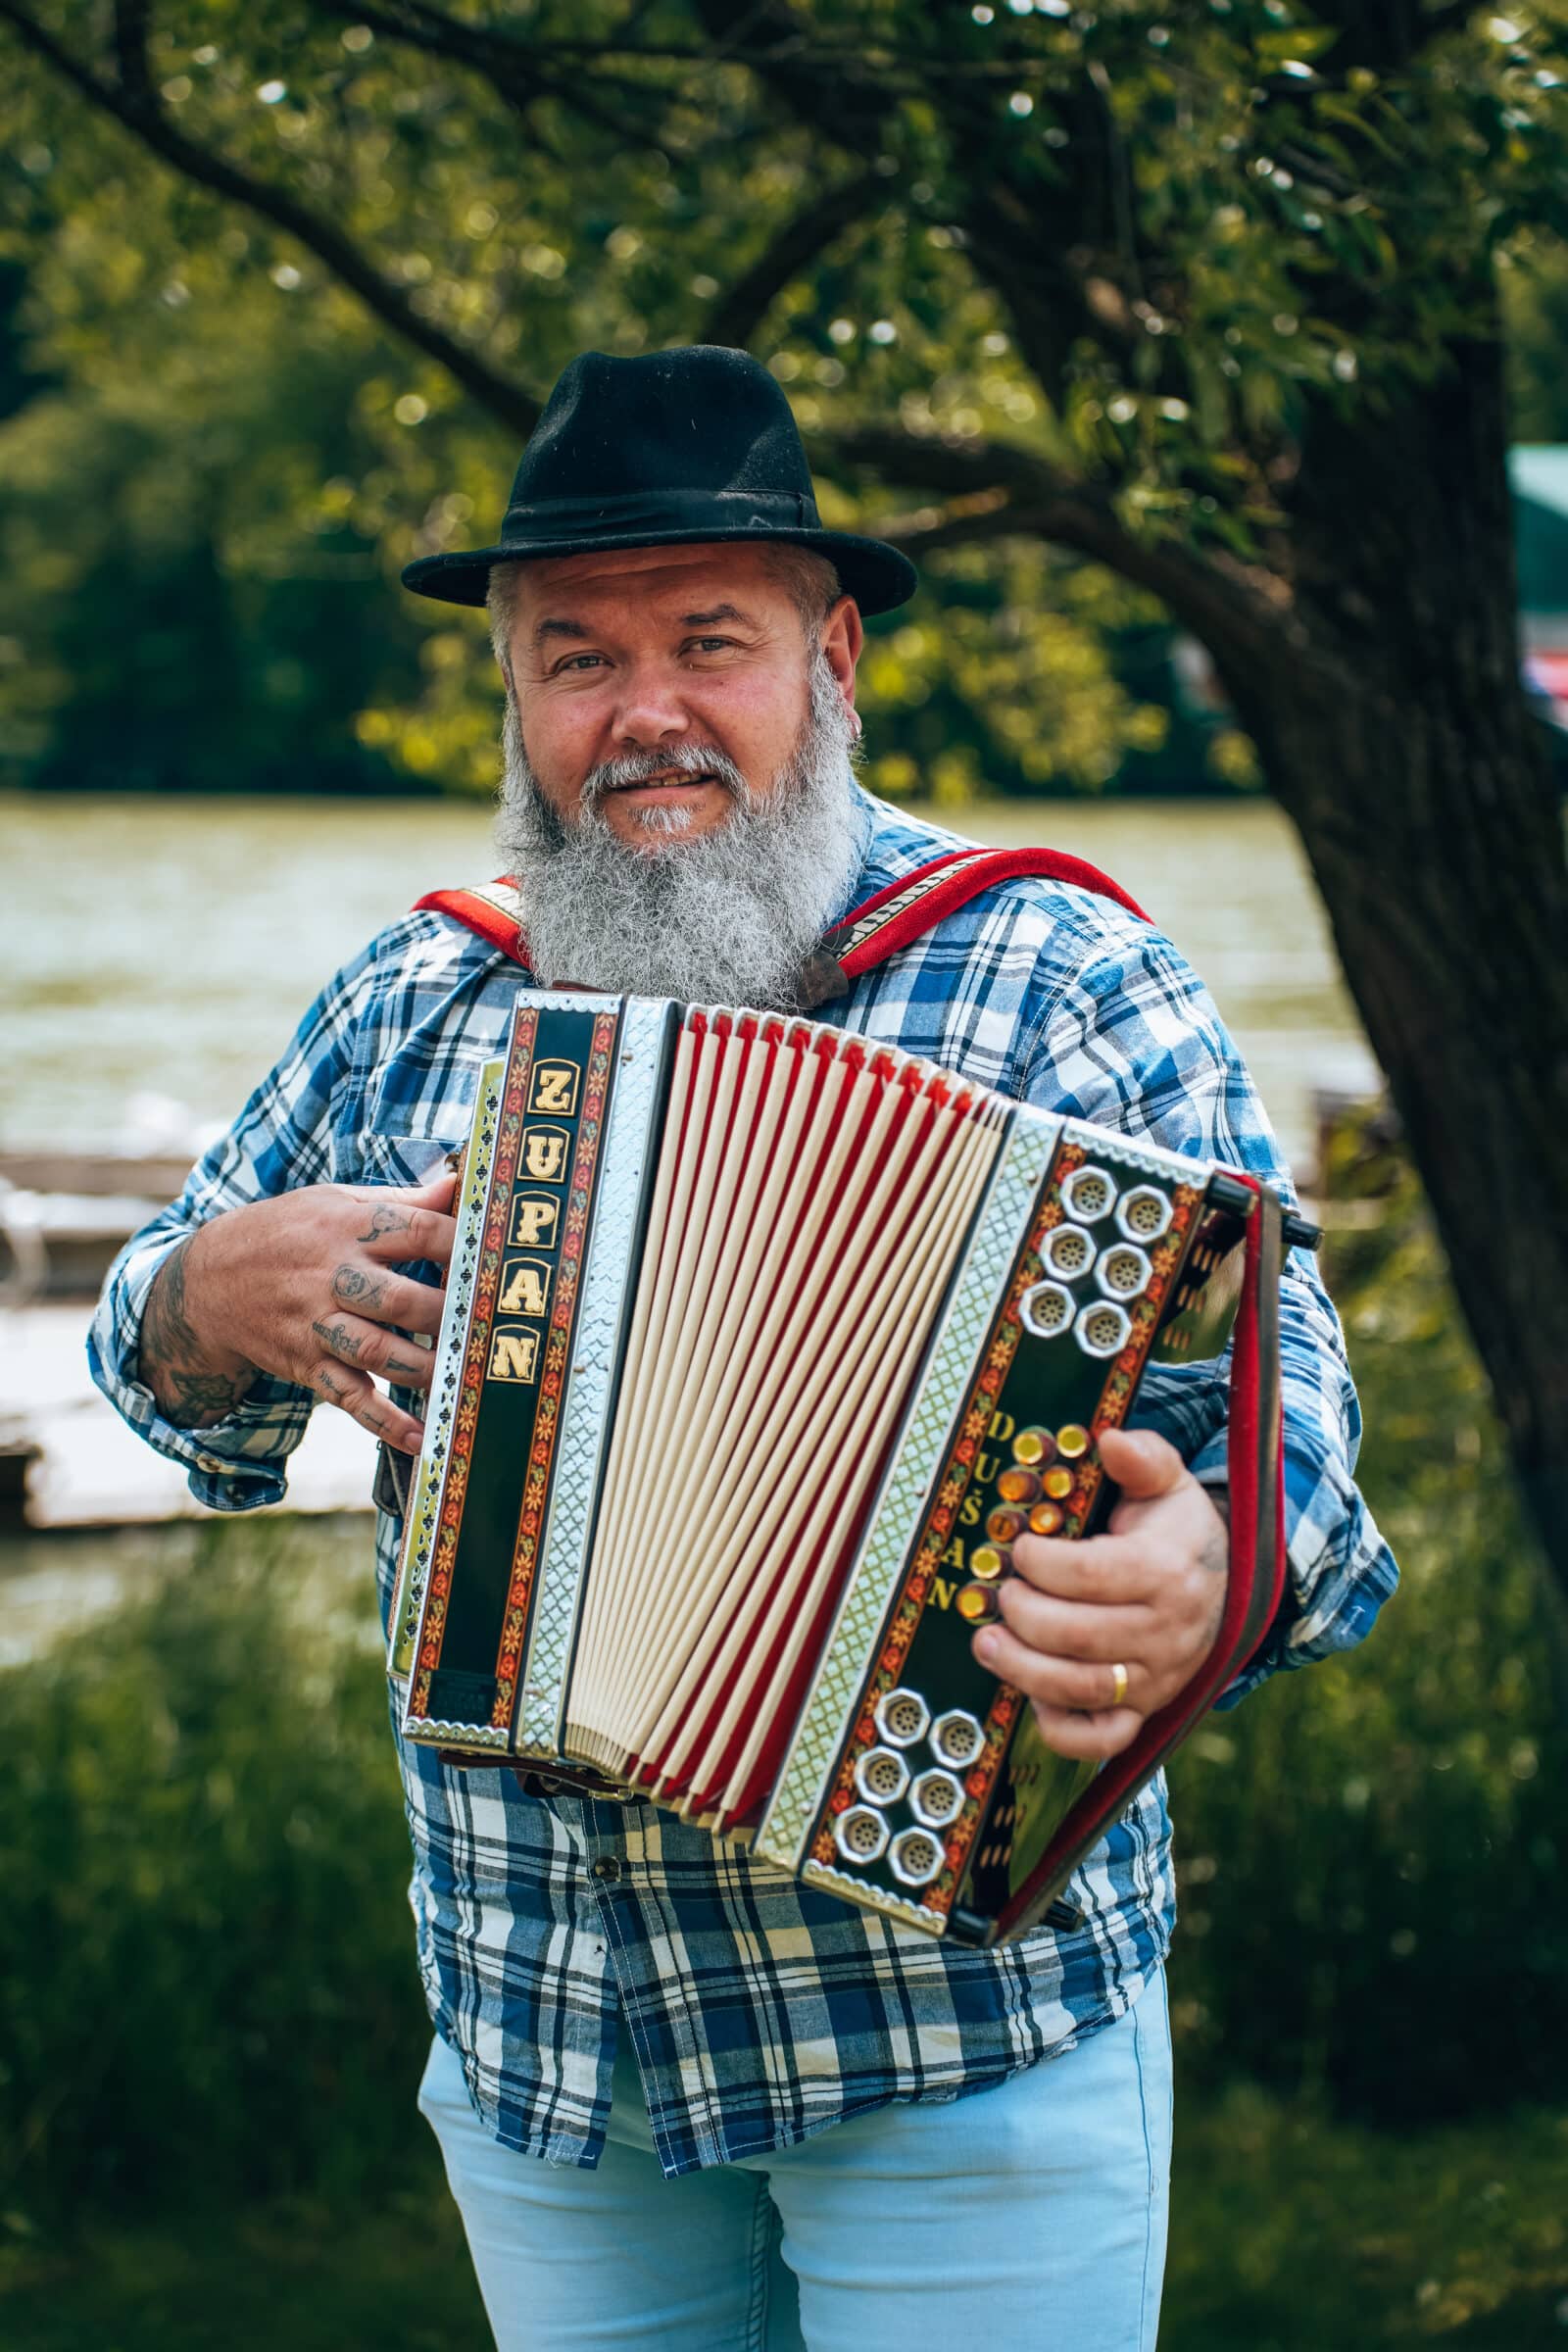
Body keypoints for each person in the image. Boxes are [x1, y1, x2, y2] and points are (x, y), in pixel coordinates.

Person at [90, 345, 1396, 2352]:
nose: (644, 713)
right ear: (514, 694)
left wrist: (1213, 1567)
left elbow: (1277, 1388)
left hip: (956, 2042)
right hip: (546, 2046)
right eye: (573, 657)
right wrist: (202, 1300)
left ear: (834, 654)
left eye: (709, 640)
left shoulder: (1054, 968)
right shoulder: (419, 992)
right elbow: (156, 1348)